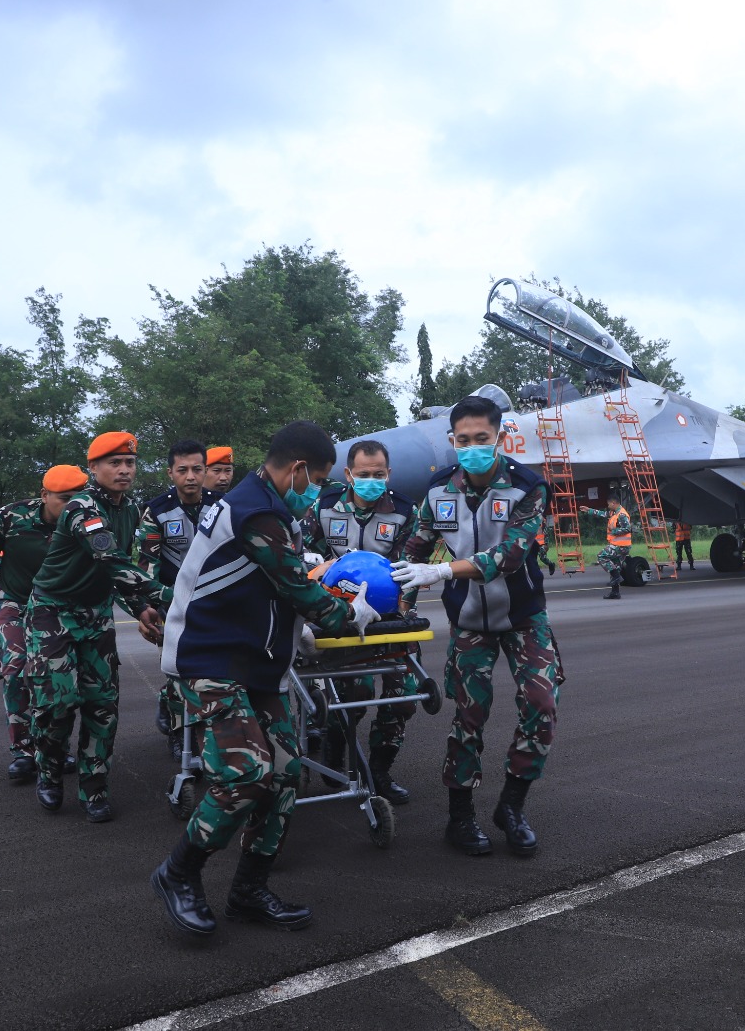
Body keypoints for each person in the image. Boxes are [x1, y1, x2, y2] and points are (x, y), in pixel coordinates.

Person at [149, 420, 378, 937]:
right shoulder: (257, 512)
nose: (317, 491)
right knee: (246, 772)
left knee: (285, 774)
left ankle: (249, 890)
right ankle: (177, 873)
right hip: (208, 661)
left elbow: (279, 586)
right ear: (298, 470)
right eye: (317, 480)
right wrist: (355, 614)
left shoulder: (267, 506)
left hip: (254, 662)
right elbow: (300, 590)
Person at [393, 394, 563, 858]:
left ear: (500, 438)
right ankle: (460, 817)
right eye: (463, 440)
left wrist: (445, 571)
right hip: (469, 622)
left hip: (524, 619)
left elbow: (510, 556)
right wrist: (399, 609)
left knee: (541, 705)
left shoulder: (528, 487)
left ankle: (511, 806)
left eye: (481, 439)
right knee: (469, 714)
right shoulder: (437, 492)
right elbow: (413, 554)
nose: (472, 447)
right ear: (452, 441)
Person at [26, 432, 166, 822]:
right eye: (114, 463)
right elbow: (111, 559)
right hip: (53, 612)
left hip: (95, 613)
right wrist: (167, 597)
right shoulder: (82, 508)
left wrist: (140, 607)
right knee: (57, 703)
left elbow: (119, 571)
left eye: (130, 463)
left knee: (102, 704)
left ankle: (94, 787)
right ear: (93, 469)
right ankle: (50, 772)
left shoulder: (129, 509)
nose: (124, 470)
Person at [303, 438, 420, 804]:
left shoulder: (404, 510)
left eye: (379, 474)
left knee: (403, 695)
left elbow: (410, 570)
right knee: (354, 692)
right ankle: (338, 753)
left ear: (389, 474)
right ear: (349, 474)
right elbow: (299, 555)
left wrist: (401, 614)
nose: (372, 480)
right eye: (364, 474)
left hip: (390, 616)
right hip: (339, 615)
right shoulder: (323, 507)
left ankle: (381, 772)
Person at [0, 465, 88, 783]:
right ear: (44, 495)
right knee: (16, 669)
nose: (72, 506)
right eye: (64, 499)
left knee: (57, 679)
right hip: (15, 600)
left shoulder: (86, 520)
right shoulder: (9, 517)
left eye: (78, 499)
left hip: (61, 604)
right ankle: (23, 750)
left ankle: (54, 746)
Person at [139, 438, 209, 759]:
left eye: (197, 469)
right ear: (171, 473)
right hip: (171, 604)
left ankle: (209, 726)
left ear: (205, 470)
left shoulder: (222, 507)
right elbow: (147, 565)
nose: (190, 476)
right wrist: (149, 607)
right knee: (177, 671)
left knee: (209, 669)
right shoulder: (157, 511)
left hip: (213, 603)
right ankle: (180, 734)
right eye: (183, 470)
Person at [583, 494, 632, 601]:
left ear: (613, 503)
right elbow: (603, 514)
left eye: (609, 504)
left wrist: (613, 530)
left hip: (621, 546)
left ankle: (616, 577)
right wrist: (589, 510)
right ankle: (615, 593)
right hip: (618, 545)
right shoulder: (614, 513)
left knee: (602, 556)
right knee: (615, 567)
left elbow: (628, 528)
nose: (608, 506)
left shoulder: (622, 514)